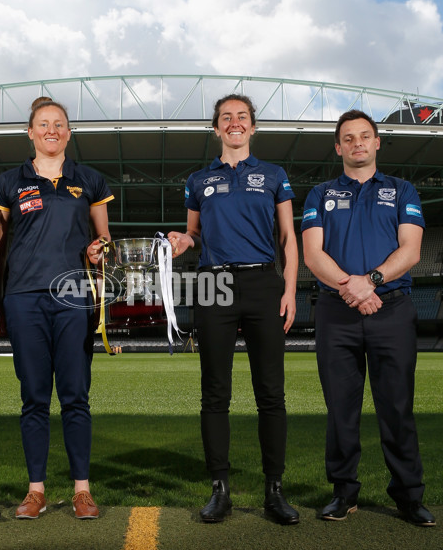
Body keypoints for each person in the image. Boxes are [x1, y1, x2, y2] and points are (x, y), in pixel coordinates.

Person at [169, 94, 299, 524]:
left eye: (242, 116)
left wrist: (290, 289)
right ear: (216, 129)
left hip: (263, 280)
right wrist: (184, 242)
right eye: (226, 117)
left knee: (271, 393)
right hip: (213, 282)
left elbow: (288, 238)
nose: (234, 122)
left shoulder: (274, 174)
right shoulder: (198, 180)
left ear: (253, 127)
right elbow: (194, 234)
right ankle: (220, 490)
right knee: (215, 393)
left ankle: (274, 491)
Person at [302, 109, 435, 526]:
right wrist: (352, 287)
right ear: (338, 147)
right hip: (335, 311)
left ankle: (408, 495)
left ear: (377, 143)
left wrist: (371, 282)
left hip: (391, 309)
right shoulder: (319, 194)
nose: (357, 143)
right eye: (348, 138)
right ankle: (344, 493)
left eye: (365, 136)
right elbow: (312, 254)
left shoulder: (402, 190)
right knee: (341, 408)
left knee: (396, 407)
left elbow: (411, 251)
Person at [0, 98, 113, 520]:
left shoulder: (90, 180)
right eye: (43, 124)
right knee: (34, 398)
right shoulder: (9, 183)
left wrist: (99, 253)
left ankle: (82, 490)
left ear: (68, 133)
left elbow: (104, 240)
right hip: (23, 299)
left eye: (59, 124)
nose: (51, 130)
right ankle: (36, 490)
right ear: (31, 132)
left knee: (76, 396)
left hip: (73, 298)